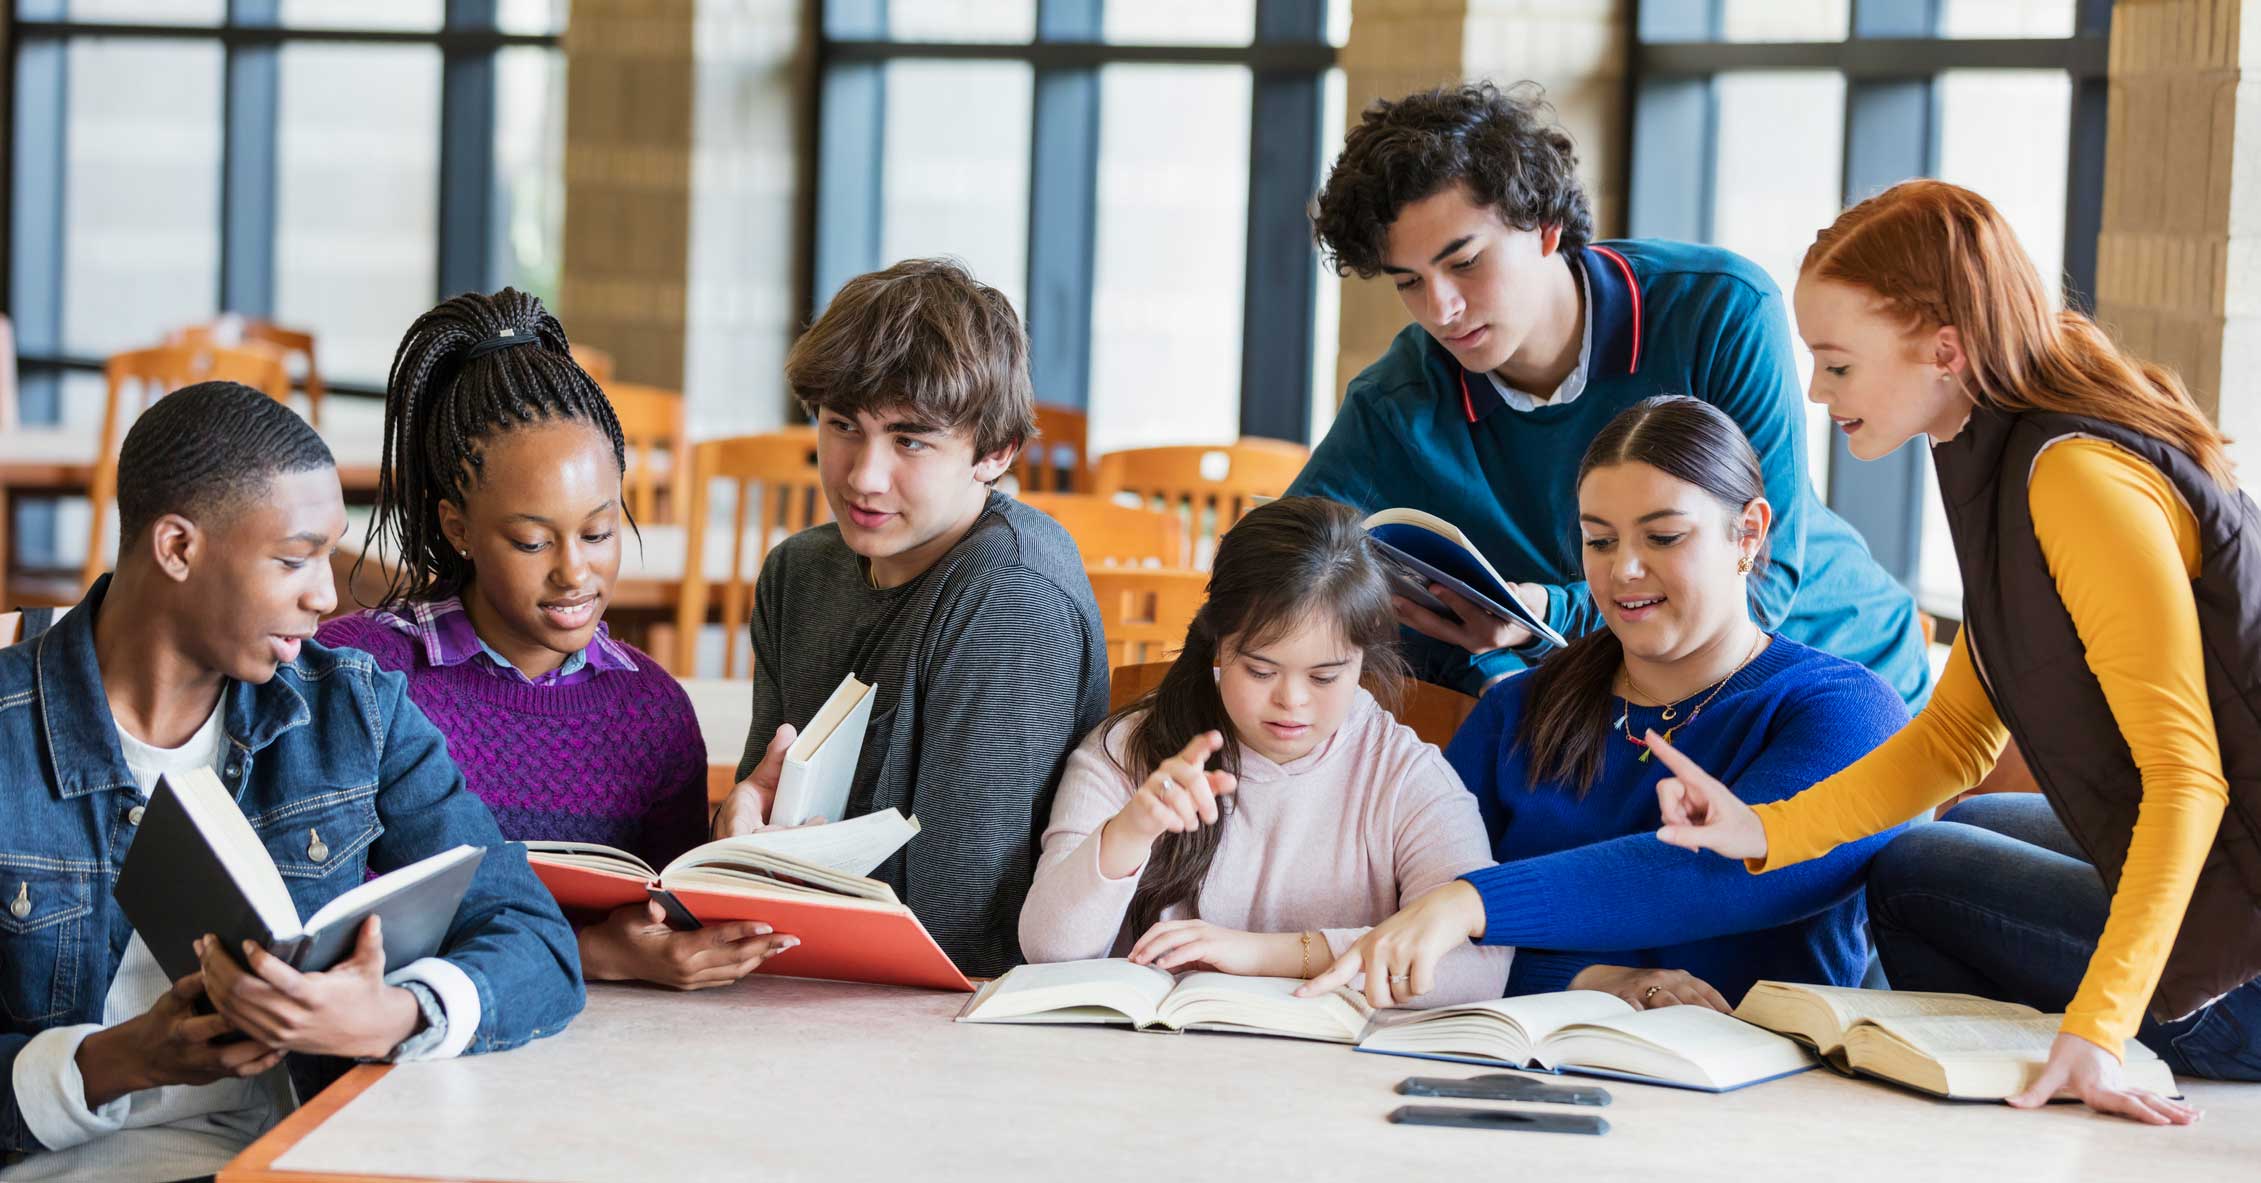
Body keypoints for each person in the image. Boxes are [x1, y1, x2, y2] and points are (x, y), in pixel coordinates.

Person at [1653, 179, 2261, 1125]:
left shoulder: (2072, 477)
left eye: (1838, 365)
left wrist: (2099, 1026)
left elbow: (2187, 779)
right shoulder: (1997, 449)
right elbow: (1952, 740)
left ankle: (2039, 1068)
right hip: (2235, 861)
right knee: (1993, 823)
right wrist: (1760, 829)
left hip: (2247, 956)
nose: (1814, 393)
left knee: (1913, 870)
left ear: (1943, 349)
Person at [0, 382, 582, 1182]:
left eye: (328, 552)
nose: (326, 594)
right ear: (177, 548)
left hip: (298, 1164)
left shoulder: (355, 709)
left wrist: (391, 1013)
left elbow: (536, 937)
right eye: (293, 557)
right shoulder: (7, 731)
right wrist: (114, 1060)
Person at [1288, 80, 1928, 707]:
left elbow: (1757, 579)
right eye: (1408, 282)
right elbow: (1283, 560)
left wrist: (1547, 616)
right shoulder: (1398, 399)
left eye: (1464, 263)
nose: (1442, 308)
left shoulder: (1718, 309)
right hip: (1632, 705)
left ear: (1544, 226)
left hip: (1835, 674)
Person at [1299, 398, 1907, 1011]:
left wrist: (1474, 902)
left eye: (1663, 536)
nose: (1625, 571)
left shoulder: (1848, 712)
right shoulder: (1517, 710)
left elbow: (1721, 872)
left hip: (1757, 1084)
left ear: (1747, 533)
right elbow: (1409, 919)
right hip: (1506, 1058)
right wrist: (1586, 979)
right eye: (1600, 541)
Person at [318, 289, 793, 992]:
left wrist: (729, 857)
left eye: (599, 532)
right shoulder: (363, 674)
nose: (575, 571)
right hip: (411, 1049)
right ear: (457, 527)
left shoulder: (652, 710)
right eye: (531, 540)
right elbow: (331, 921)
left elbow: (668, 913)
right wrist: (591, 951)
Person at [710, 258, 1109, 979]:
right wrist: (734, 830)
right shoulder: (797, 573)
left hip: (954, 1012)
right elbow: (752, 844)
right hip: (817, 979)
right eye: (841, 426)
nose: (863, 475)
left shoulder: (1009, 591)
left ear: (995, 452)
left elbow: (960, 925)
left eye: (910, 440)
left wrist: (765, 884)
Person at [1020, 497, 1511, 1005]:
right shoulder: (1130, 748)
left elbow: (1476, 968)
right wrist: (1130, 832)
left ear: (1362, 660)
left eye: (1325, 676)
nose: (1291, 701)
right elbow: (1048, 952)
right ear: (1218, 646)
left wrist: (1265, 955)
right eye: (1260, 671)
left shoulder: (1401, 773)